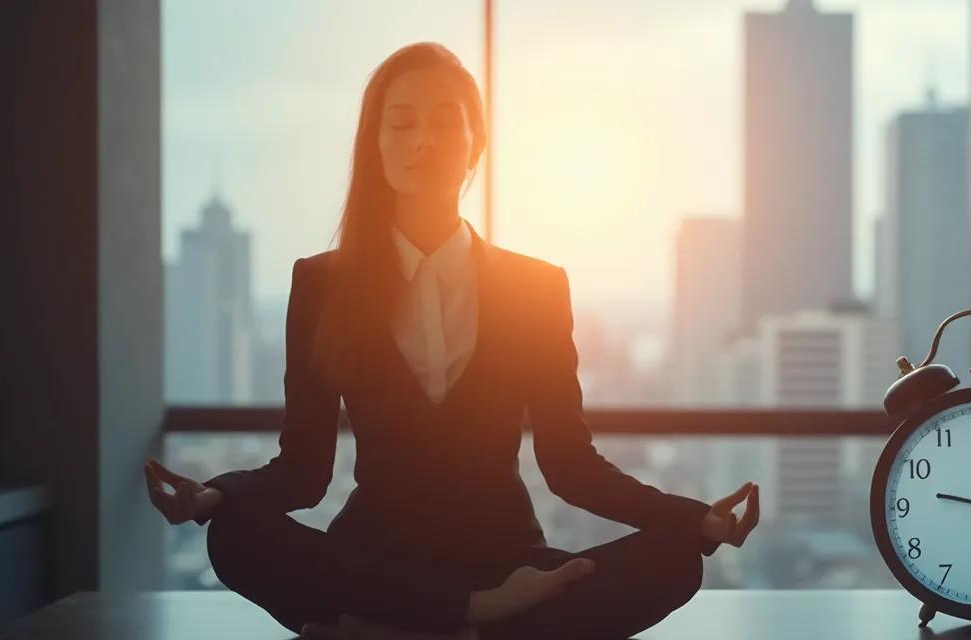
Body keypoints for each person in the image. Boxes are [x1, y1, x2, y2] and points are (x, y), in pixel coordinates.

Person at [143, 41, 760, 640]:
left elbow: (571, 467)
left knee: (679, 559)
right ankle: (478, 620)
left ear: (476, 144)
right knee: (231, 534)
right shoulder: (323, 283)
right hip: (377, 563)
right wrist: (213, 495)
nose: (424, 141)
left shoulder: (535, 287)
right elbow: (303, 474)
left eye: (446, 121)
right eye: (401, 123)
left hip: (504, 559)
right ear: (375, 146)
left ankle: (397, 630)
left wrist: (695, 519)